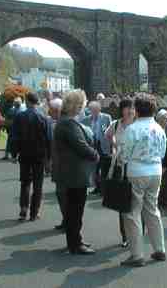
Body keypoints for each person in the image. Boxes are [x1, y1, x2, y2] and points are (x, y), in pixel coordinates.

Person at [121, 93, 167, 267]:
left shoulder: (132, 129)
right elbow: (163, 153)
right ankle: (159, 249)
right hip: (155, 171)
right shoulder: (159, 129)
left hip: (137, 172)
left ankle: (137, 255)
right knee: (152, 209)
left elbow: (124, 156)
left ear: (137, 110)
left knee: (132, 213)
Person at [53, 90, 99, 255]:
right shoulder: (68, 124)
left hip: (70, 172)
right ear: (77, 105)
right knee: (75, 210)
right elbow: (81, 146)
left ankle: (75, 240)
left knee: (73, 210)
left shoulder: (64, 122)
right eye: (82, 104)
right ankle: (75, 244)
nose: (84, 107)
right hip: (74, 173)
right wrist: (96, 155)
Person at [11, 92, 51, 221]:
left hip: (25, 153)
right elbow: (48, 139)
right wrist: (49, 157)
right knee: (38, 185)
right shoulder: (43, 117)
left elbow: (14, 137)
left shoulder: (19, 117)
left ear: (27, 101)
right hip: (39, 155)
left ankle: (23, 208)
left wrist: (14, 153)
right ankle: (34, 212)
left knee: (25, 182)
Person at [105, 98, 135, 248]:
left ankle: (137, 234)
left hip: (135, 167)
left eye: (132, 108)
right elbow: (107, 135)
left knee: (136, 203)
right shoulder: (116, 124)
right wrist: (115, 147)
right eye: (127, 108)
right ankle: (125, 236)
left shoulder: (137, 125)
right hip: (120, 168)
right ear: (122, 110)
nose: (130, 110)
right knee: (123, 204)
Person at [81, 101, 112, 195]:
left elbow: (107, 131)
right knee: (94, 169)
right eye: (92, 110)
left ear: (99, 110)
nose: (94, 112)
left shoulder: (106, 118)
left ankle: (104, 189)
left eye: (95, 110)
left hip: (103, 145)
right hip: (92, 146)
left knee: (104, 168)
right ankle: (97, 187)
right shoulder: (86, 120)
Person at [47, 98, 67, 230]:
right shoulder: (54, 124)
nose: (50, 113)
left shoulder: (65, 125)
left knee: (64, 195)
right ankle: (65, 219)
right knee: (60, 194)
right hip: (57, 165)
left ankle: (68, 221)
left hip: (66, 166)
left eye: (52, 111)